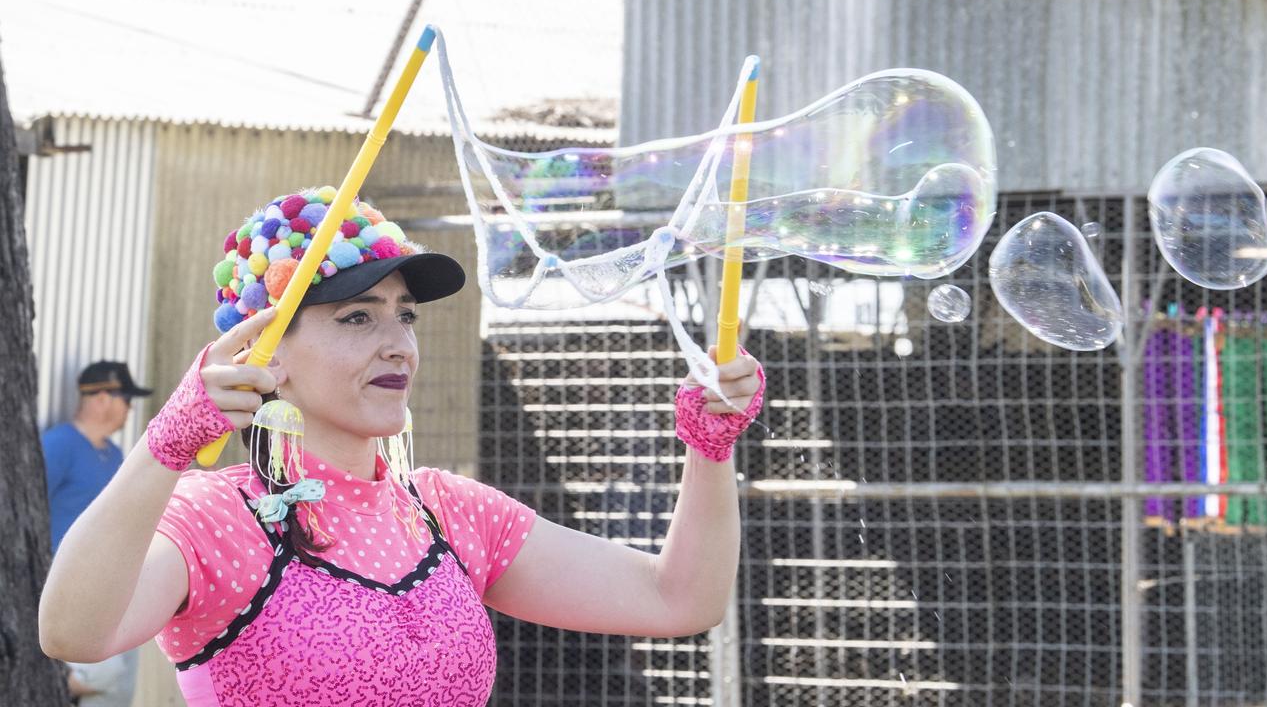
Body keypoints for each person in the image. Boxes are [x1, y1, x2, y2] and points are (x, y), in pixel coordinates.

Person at [39, 187, 765, 705]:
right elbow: (73, 632)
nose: (398, 345)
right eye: (357, 318)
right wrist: (168, 442)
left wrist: (711, 446)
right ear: (266, 352)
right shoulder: (218, 517)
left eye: (406, 315)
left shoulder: (450, 513)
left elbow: (679, 600)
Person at [43, 361, 152, 706]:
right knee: (95, 680)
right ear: (103, 398)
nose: (130, 408)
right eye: (126, 398)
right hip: (70, 595)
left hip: (110, 592)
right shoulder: (58, 445)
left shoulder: (115, 454)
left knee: (116, 686)